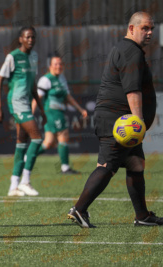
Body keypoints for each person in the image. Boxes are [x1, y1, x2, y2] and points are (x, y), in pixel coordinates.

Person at [67, 11, 163, 228]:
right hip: (119, 122)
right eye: (144, 28)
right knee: (107, 166)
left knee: (136, 164)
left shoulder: (129, 49)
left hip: (119, 119)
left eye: (151, 29)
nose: (149, 33)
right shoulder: (131, 52)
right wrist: (138, 123)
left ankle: (142, 216)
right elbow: (132, 90)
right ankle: (79, 209)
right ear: (131, 29)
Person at [0, 26, 47, 197]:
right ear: (20, 39)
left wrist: (41, 108)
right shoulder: (13, 56)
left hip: (26, 102)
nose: (30, 40)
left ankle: (13, 186)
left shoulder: (34, 56)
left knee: (21, 143)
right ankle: (25, 181)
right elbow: (0, 80)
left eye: (33, 37)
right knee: (38, 138)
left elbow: (33, 84)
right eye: (27, 37)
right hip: (16, 102)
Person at [33, 56, 88, 174]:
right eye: (56, 64)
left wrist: (80, 109)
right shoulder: (46, 79)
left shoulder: (62, 78)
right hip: (52, 112)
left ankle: (27, 158)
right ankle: (65, 167)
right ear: (50, 66)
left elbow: (68, 97)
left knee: (48, 143)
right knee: (63, 135)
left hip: (59, 112)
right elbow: (37, 98)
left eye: (60, 64)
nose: (59, 66)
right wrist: (31, 114)